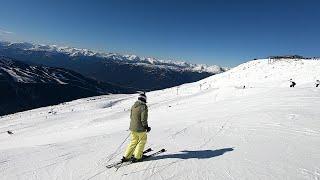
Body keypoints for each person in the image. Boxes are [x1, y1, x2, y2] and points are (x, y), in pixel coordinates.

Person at [121, 93, 151, 163]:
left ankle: (126, 156)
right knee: (141, 141)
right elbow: (143, 119)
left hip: (132, 128)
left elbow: (131, 117)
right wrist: (146, 127)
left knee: (133, 141)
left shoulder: (133, 106)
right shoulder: (143, 106)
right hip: (140, 129)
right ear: (144, 99)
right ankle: (137, 157)